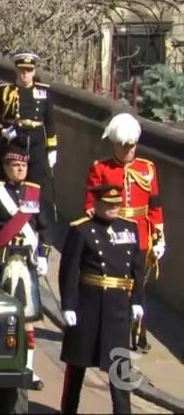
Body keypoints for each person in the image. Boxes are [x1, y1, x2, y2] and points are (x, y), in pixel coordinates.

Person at [0, 140, 52, 390]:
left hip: (26, 262)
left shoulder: (34, 193)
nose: (20, 169)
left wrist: (44, 255)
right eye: (15, 165)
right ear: (5, 167)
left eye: (23, 165)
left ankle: (28, 367)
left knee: (28, 317)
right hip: (1, 262)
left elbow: (44, 227)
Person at [82, 112, 164, 352]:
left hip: (141, 235)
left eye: (132, 145)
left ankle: (139, 335)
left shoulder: (147, 168)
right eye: (124, 146)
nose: (129, 150)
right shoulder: (101, 168)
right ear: (115, 144)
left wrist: (159, 237)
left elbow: (155, 206)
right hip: (113, 234)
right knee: (116, 285)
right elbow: (90, 205)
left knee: (139, 286)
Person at [60, 184, 144, 414]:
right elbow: (69, 270)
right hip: (89, 305)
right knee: (77, 363)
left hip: (117, 307)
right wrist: (69, 304)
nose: (114, 208)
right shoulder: (82, 230)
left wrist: (138, 300)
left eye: (117, 204)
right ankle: (68, 409)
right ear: (96, 204)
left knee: (120, 367)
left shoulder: (129, 228)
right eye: (108, 205)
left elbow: (137, 269)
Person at [0, 51, 57, 211]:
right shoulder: (5, 91)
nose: (25, 73)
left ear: (34, 72)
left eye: (28, 70)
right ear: (16, 70)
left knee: (35, 182)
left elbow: (49, 122)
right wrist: (3, 131)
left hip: (36, 142)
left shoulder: (44, 92)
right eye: (22, 70)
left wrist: (52, 148)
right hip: (14, 140)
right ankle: (7, 213)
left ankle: (31, 216)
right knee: (9, 180)